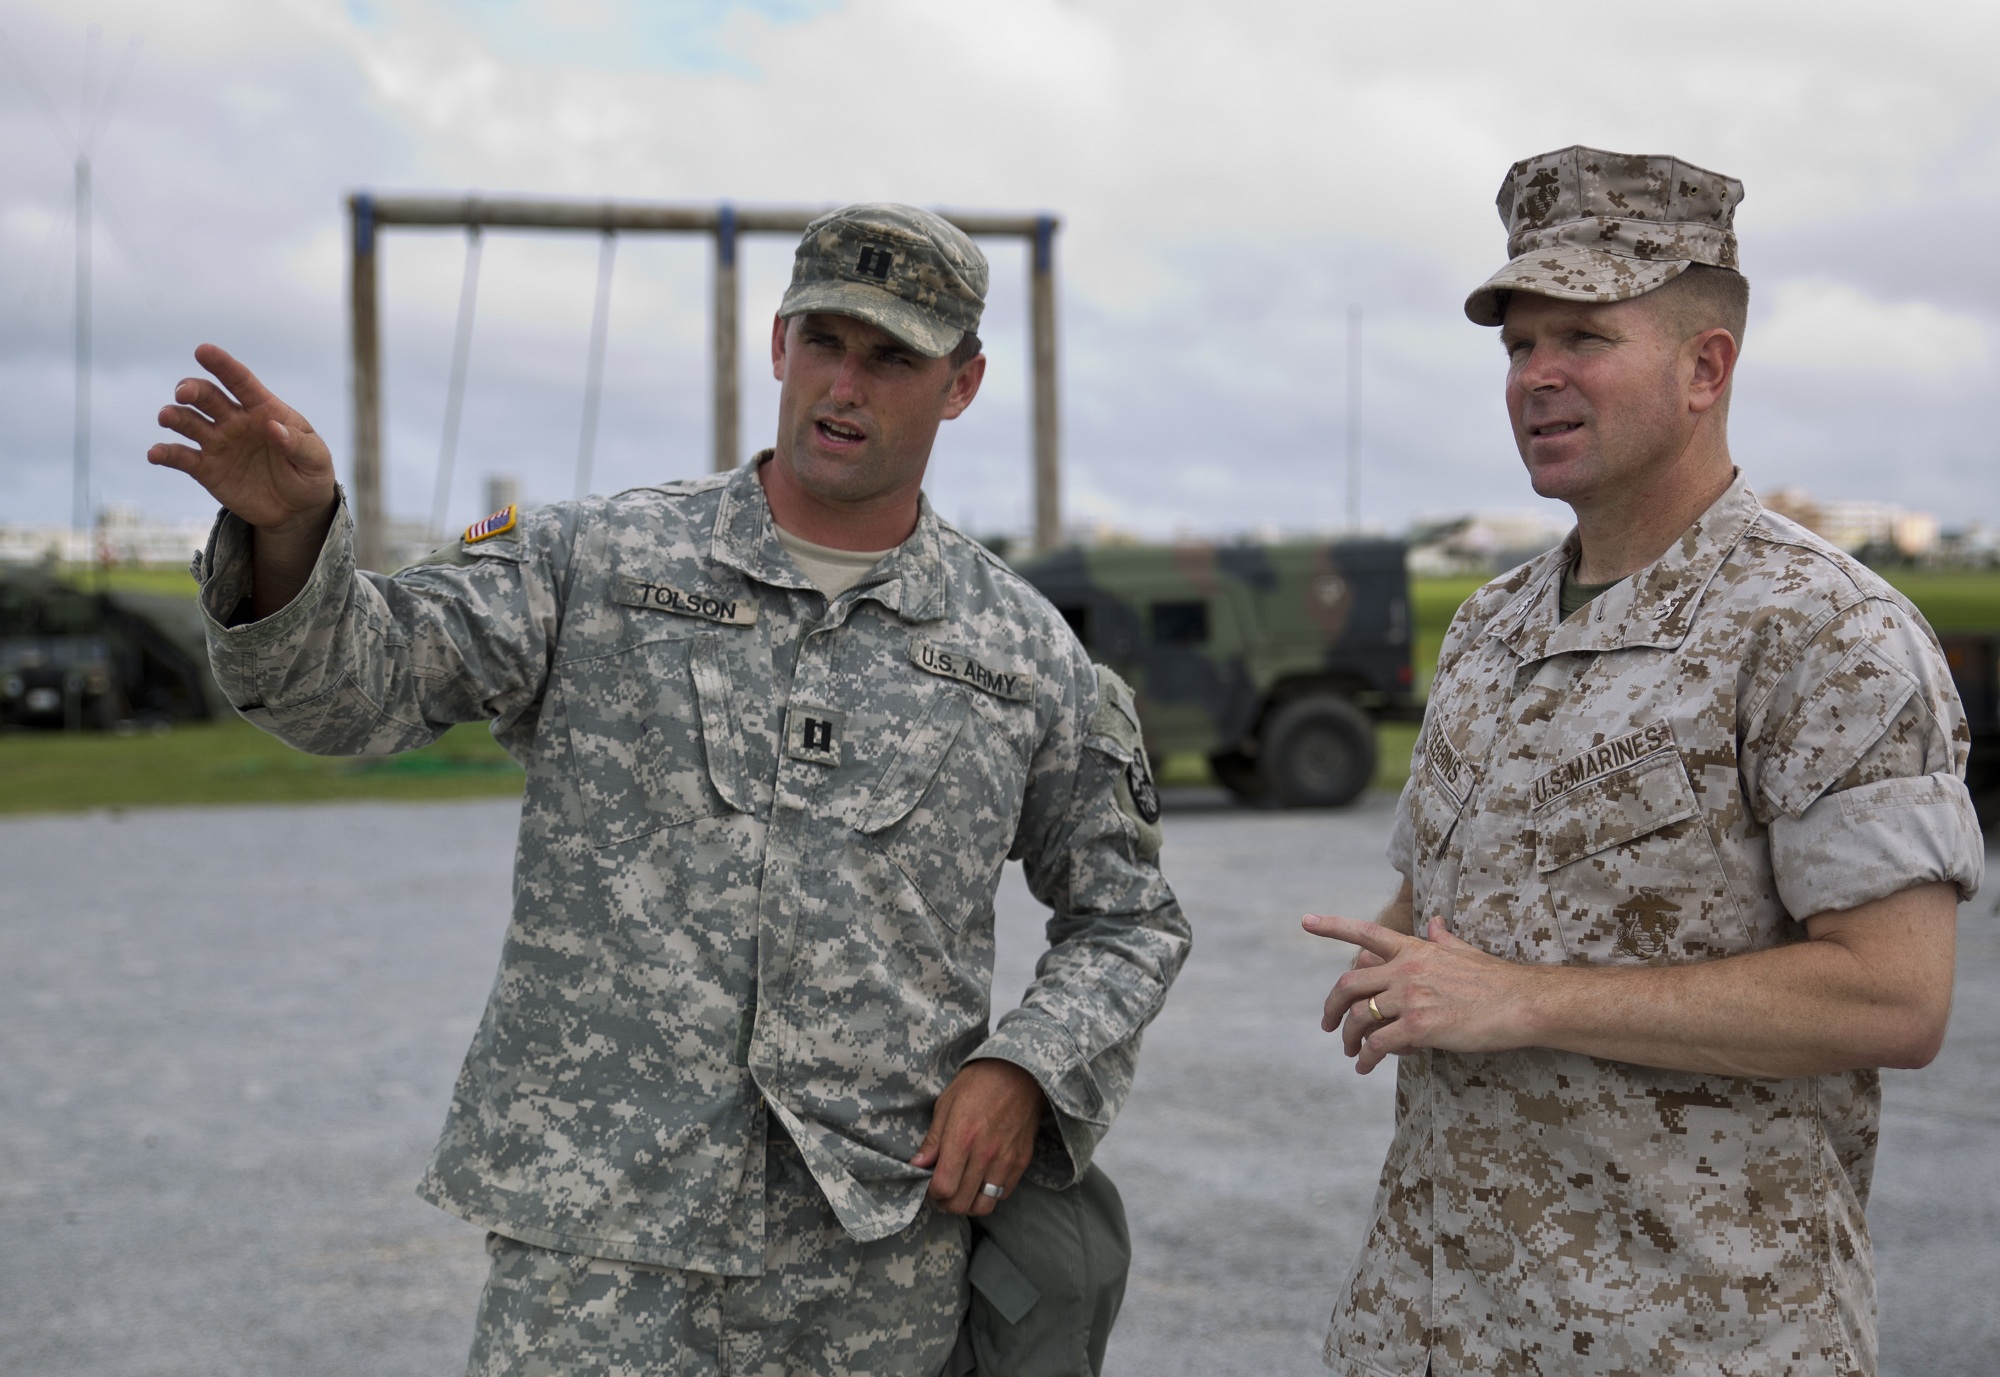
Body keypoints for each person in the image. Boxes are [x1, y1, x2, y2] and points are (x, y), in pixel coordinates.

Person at [148, 202, 1189, 1377]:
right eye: (825, 342)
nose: (845, 385)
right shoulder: (593, 564)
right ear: (778, 345)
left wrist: (1025, 1072)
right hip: (599, 1248)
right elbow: (353, 689)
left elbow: (1125, 919)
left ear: (960, 386)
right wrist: (290, 541)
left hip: (867, 1263)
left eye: (892, 356)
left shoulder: (1021, 651)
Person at [1304, 146, 1983, 1376]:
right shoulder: (1491, 625)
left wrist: (1529, 998)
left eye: (1582, 337)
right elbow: (1451, 914)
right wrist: (1402, 951)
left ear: (1702, 367)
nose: (1536, 377)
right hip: (1427, 1321)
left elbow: (1895, 996)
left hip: (1695, 1336)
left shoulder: (1822, 631)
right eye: (1516, 346)